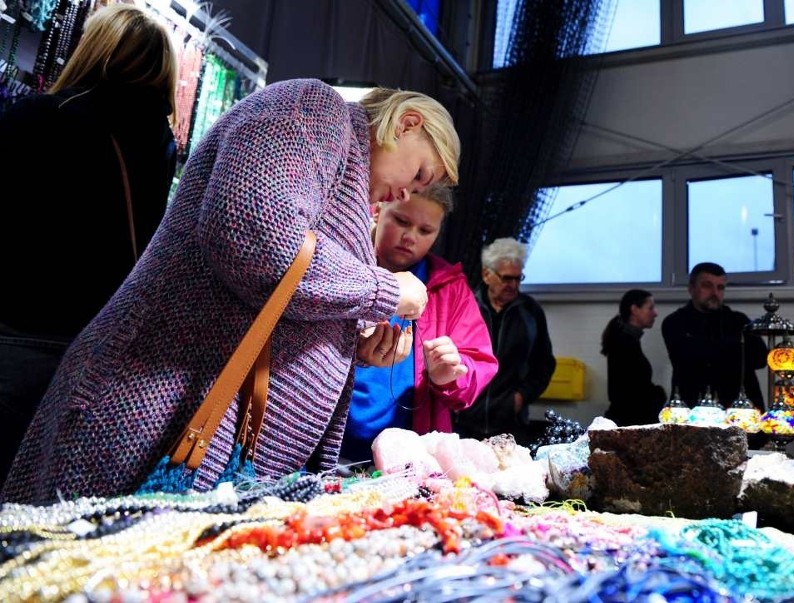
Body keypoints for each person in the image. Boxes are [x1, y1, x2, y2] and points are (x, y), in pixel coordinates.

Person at [1, 78, 461, 504]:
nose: (407, 195)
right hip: (159, 405)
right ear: (407, 123)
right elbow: (256, 233)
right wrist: (382, 289)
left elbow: (286, 292)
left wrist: (356, 345)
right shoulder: (316, 109)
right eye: (420, 174)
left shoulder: (344, 169)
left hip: (203, 427)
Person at [0, 3, 179, 490]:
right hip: (98, 347)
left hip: (21, 328)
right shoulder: (162, 144)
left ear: (95, 49)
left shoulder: (39, 117)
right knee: (44, 495)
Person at [340, 184, 498, 466]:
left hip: (408, 460)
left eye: (425, 231)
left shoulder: (450, 288)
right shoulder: (340, 267)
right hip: (318, 442)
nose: (410, 237)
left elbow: (478, 363)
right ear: (376, 210)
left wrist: (449, 375)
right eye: (401, 221)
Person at [453, 237, 556, 444]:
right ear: (486, 274)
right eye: (507, 278)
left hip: (510, 423)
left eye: (518, 279)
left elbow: (544, 364)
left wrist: (520, 398)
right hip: (463, 421)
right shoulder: (465, 306)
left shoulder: (531, 312)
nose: (514, 285)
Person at [661, 262, 769, 447]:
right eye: (707, 285)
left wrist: (710, 349)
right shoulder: (675, 322)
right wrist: (734, 350)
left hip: (740, 418)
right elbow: (687, 357)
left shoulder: (739, 321)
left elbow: (760, 358)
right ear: (691, 288)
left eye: (720, 287)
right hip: (693, 418)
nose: (715, 292)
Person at [600, 289, 667, 426]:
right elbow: (630, 392)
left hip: (629, 420)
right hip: (629, 422)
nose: (655, 313)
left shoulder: (626, 340)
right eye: (650, 308)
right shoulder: (624, 344)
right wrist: (658, 394)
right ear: (635, 310)